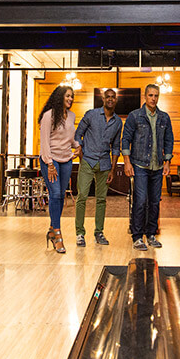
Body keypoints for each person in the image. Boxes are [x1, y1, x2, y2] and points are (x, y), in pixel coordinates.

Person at [121, 84, 173, 251]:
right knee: (141, 201)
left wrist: (167, 161)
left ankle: (151, 234)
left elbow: (169, 140)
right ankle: (137, 237)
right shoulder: (134, 116)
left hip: (157, 166)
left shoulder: (164, 117)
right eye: (150, 95)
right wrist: (127, 162)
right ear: (145, 96)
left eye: (156, 95)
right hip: (139, 165)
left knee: (155, 202)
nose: (153, 98)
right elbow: (125, 139)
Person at [73, 88, 122, 246]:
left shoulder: (118, 122)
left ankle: (99, 232)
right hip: (87, 161)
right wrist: (80, 151)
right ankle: (80, 233)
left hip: (105, 164)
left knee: (101, 200)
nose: (110, 99)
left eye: (113, 97)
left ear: (116, 100)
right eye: (108, 97)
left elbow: (116, 147)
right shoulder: (91, 114)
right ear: (103, 99)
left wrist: (113, 169)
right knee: (82, 197)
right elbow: (78, 134)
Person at [39, 85, 77, 254]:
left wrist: (78, 146)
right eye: (67, 96)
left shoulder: (71, 116)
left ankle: (52, 229)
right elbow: (45, 141)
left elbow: (70, 139)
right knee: (54, 194)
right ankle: (57, 233)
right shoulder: (49, 116)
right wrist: (49, 163)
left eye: (72, 96)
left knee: (61, 195)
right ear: (60, 96)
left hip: (67, 160)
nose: (70, 99)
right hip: (51, 160)